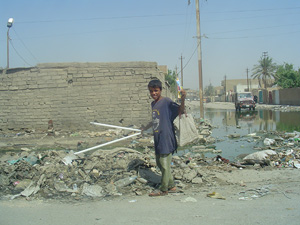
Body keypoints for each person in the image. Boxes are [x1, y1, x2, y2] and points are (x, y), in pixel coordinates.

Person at [141, 79, 186, 196]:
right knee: (160, 163)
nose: (153, 93)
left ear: (161, 90)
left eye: (156, 91)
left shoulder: (166, 101)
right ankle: (171, 185)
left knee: (165, 163)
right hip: (158, 137)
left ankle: (163, 189)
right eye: (151, 91)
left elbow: (181, 110)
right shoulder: (153, 104)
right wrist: (145, 127)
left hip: (166, 136)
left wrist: (183, 99)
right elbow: (155, 119)